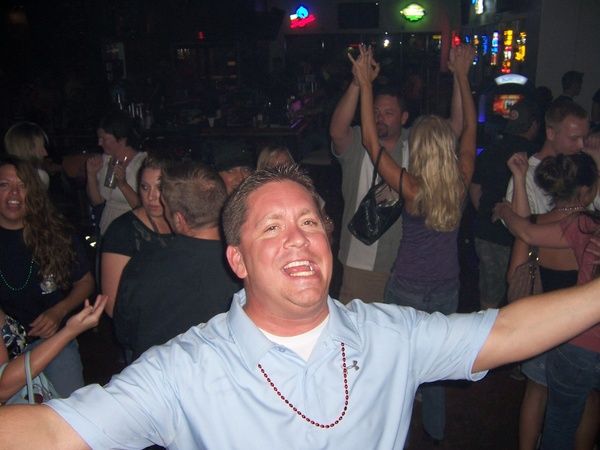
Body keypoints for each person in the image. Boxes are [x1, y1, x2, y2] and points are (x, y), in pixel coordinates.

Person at [1, 164, 600, 448]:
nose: (298, 239)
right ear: (237, 260)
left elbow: (504, 331)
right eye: (271, 228)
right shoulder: (186, 370)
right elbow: (54, 432)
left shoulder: (389, 335)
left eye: (310, 222)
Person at [352, 43, 476, 443]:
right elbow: (469, 131)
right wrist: (462, 76)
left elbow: (371, 142)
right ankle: (435, 434)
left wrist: (365, 85)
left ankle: (396, 437)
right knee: (435, 367)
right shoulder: (460, 181)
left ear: (419, 150)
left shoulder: (411, 186)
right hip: (446, 287)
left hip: (406, 285)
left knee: (400, 366)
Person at [329, 46, 463, 304]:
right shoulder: (357, 140)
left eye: (388, 113)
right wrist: (358, 83)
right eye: (375, 112)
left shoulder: (416, 142)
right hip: (362, 261)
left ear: (403, 118)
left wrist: (459, 77)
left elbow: (455, 128)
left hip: (405, 266)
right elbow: (336, 130)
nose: (379, 118)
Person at [502, 152, 598, 450]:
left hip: (540, 325)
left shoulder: (534, 225)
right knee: (587, 402)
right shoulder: (588, 227)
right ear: (585, 190)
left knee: (536, 392)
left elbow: (514, 275)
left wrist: (511, 206)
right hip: (579, 332)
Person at [112, 161, 240, 359]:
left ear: (179, 219)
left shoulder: (144, 265)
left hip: (155, 372)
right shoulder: (243, 263)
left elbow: (125, 333)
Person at [0, 156, 94, 396]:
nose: (14, 193)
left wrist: (59, 311)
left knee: (70, 408)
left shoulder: (56, 233)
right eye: (4, 185)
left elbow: (85, 282)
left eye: (22, 186)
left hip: (54, 341)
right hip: (5, 348)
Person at [470, 100, 540, 309]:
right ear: (534, 125)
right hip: (520, 237)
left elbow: (475, 188)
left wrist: (486, 213)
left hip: (489, 232)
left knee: (490, 297)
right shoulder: (535, 155)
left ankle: (489, 328)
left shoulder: (491, 149)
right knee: (521, 298)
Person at [100, 155, 174, 318]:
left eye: (160, 188)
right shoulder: (123, 230)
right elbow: (112, 305)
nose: (151, 197)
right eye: (145, 187)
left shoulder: (183, 223)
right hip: (144, 323)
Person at [1, 296, 106, 403]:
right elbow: (3, 388)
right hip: (16, 388)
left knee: (63, 351)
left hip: (27, 371)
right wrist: (69, 331)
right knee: (63, 351)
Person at [505, 100, 590, 214]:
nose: (581, 145)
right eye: (574, 138)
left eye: (584, 138)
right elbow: (521, 224)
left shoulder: (581, 167)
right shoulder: (525, 175)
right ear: (551, 133)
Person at [86, 110, 147, 235]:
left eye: (104, 138)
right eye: (99, 138)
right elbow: (97, 201)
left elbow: (144, 207)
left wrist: (123, 184)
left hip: (133, 231)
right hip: (108, 230)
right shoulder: (106, 160)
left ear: (121, 138)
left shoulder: (142, 163)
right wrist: (91, 175)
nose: (99, 143)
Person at [3, 121, 55, 189]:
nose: (45, 153)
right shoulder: (39, 177)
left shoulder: (3, 172)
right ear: (28, 150)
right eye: (41, 148)